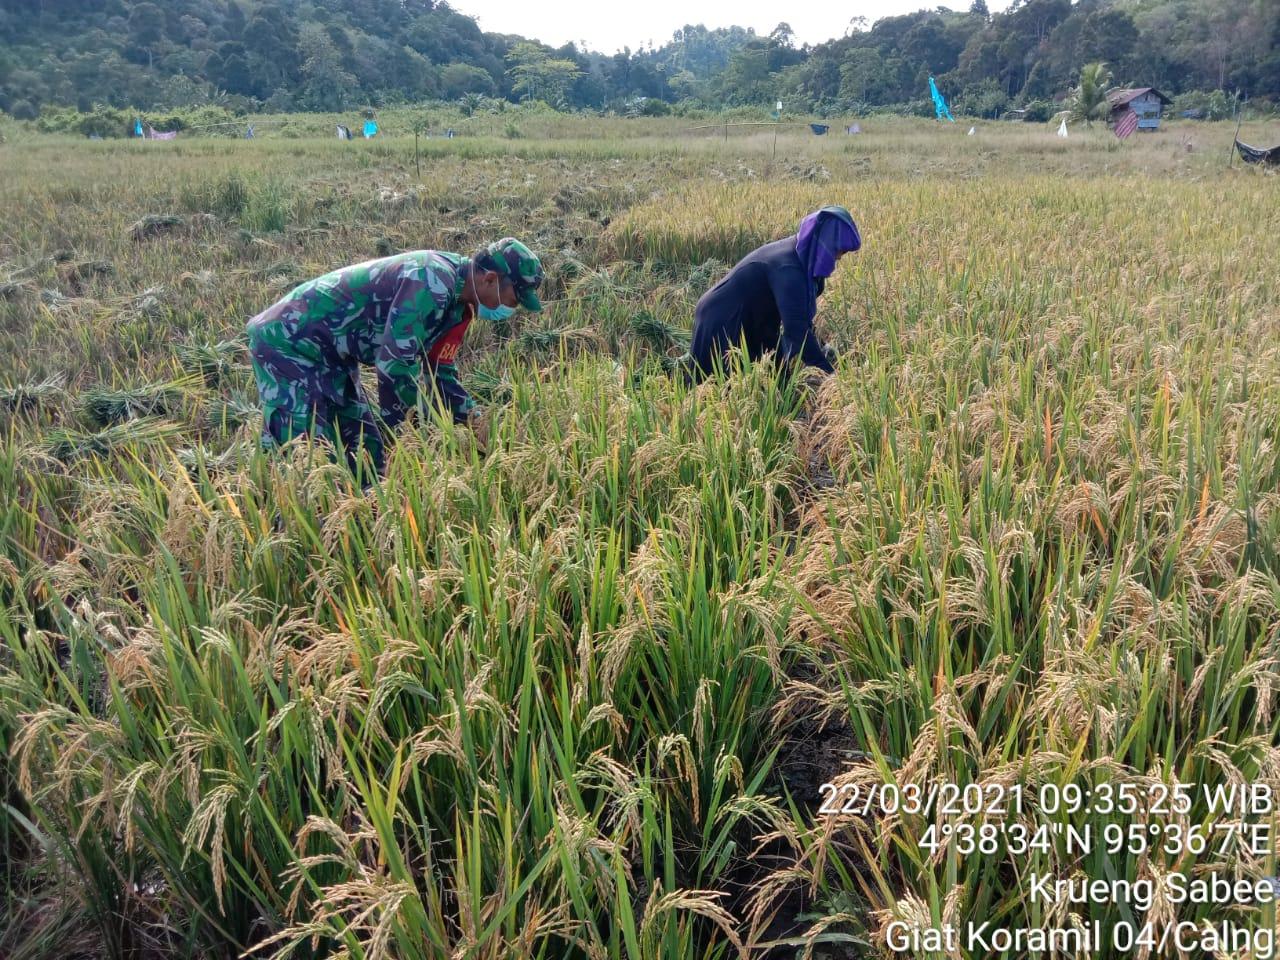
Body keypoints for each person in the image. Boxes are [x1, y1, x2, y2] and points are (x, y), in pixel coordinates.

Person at [247, 238, 543, 477]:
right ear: (490, 279)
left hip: (334, 355)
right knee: (301, 453)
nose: (509, 310)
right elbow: (394, 366)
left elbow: (440, 371)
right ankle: (290, 527)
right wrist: (411, 435)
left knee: (365, 449)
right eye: (513, 301)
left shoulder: (460, 307)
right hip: (290, 340)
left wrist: (474, 419)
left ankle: (368, 522)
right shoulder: (431, 282)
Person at [682, 205, 860, 382]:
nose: (840, 256)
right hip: (724, 318)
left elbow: (800, 318)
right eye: (839, 249)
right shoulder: (788, 269)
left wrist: (821, 350)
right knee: (722, 388)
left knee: (776, 379)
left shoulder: (804, 258)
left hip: (759, 318)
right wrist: (832, 379)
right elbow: (797, 330)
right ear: (825, 243)